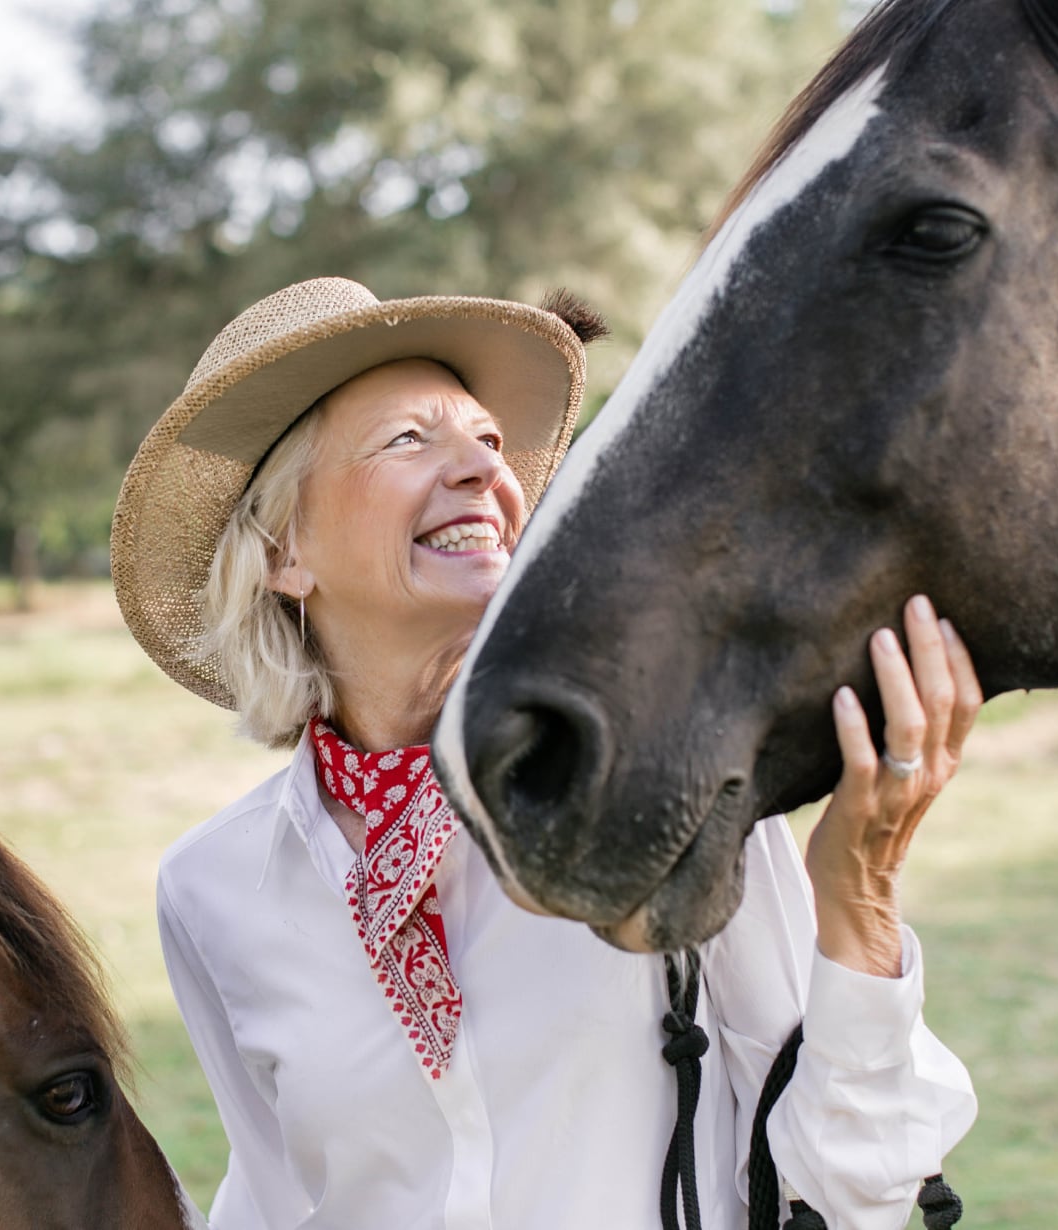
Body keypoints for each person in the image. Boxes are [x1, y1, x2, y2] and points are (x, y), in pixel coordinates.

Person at [111, 276, 981, 1230]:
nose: (483, 469)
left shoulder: (661, 782)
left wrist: (859, 895)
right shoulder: (213, 889)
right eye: (410, 440)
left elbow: (850, 1189)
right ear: (285, 552)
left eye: (488, 440)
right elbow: (283, 1201)